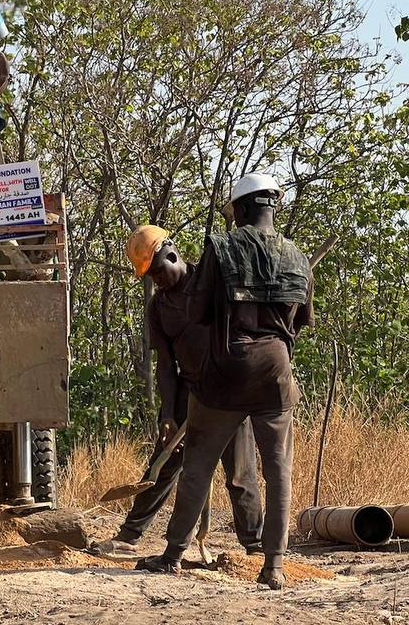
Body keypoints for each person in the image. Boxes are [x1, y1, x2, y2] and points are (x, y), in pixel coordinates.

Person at [137, 174, 313, 589]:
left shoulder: (222, 247)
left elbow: (198, 311)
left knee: (196, 465)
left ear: (242, 209)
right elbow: (303, 321)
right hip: (276, 371)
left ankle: (173, 554)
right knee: (278, 470)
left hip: (226, 373)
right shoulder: (298, 256)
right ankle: (273, 567)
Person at [91, 226, 264, 558]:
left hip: (229, 391)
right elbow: (166, 365)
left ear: (171, 255)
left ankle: (255, 548)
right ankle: (130, 535)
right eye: (149, 275)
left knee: (239, 473)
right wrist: (169, 413)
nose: (156, 280)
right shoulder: (159, 308)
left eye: (157, 271)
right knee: (164, 463)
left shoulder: (214, 286)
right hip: (188, 392)